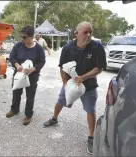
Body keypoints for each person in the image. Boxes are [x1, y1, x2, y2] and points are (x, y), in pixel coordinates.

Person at [42, 21, 106, 155]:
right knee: (60, 101)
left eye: (90, 32)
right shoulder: (67, 48)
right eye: (85, 32)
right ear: (76, 33)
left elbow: (99, 68)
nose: (88, 35)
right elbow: (62, 67)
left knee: (90, 110)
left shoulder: (97, 47)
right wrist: (65, 83)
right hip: (71, 83)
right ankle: (54, 119)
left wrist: (83, 77)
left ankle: (91, 137)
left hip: (88, 85)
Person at [6, 25, 46, 125]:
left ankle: (28, 115)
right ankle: (14, 110)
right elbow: (12, 57)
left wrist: (33, 69)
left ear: (31, 36)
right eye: (21, 37)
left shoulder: (39, 49)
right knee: (16, 93)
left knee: (30, 96)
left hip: (32, 76)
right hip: (19, 74)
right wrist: (16, 65)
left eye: (24, 37)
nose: (22, 39)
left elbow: (42, 61)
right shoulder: (18, 45)